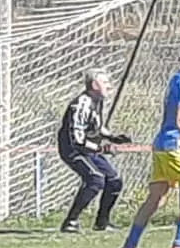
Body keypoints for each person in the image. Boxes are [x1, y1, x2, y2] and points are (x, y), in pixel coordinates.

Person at [118, 38, 180, 248]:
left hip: (162, 144)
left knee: (156, 198)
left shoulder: (177, 78)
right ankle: (179, 247)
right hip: (176, 145)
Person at [55, 69, 131, 234]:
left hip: (88, 149)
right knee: (95, 179)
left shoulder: (97, 101)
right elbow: (77, 139)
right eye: (105, 83)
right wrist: (101, 148)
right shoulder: (81, 104)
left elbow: (96, 125)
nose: (109, 86)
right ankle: (71, 221)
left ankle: (102, 222)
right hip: (72, 149)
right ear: (95, 85)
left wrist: (112, 137)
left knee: (114, 180)